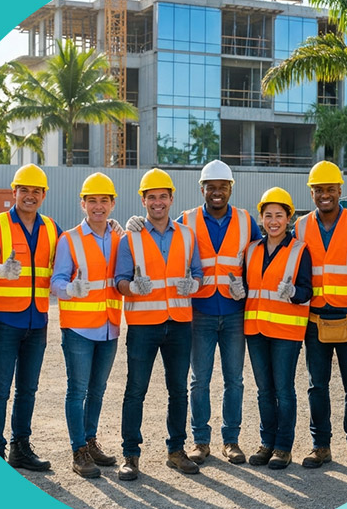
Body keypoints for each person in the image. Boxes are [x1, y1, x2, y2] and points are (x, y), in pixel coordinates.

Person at [115, 168, 203, 481]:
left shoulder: (187, 235)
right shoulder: (131, 237)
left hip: (179, 323)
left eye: (162, 196)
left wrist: (192, 285)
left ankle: (176, 451)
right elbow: (119, 280)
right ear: (143, 200)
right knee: (135, 390)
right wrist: (131, 288)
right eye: (151, 197)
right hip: (143, 324)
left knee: (178, 390)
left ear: (171, 199)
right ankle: (131, 455)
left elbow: (198, 274)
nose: (157, 202)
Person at [0, 163, 61, 471]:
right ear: (14, 192)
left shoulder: (52, 229)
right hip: (3, 320)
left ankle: (20, 447)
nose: (30, 196)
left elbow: (67, 263)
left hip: (37, 320)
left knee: (28, 388)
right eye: (24, 190)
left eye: (36, 191)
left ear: (44, 195)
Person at [295, 161, 347, 474]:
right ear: (312, 193)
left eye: (330, 189)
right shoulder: (300, 227)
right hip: (315, 321)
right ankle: (321, 446)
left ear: (340, 190)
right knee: (317, 386)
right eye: (319, 190)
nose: (324, 195)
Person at [182, 160, 261, 465]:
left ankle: (231, 441)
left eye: (222, 187)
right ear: (202, 189)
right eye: (211, 187)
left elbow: (264, 255)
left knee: (235, 380)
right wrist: (131, 224)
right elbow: (158, 233)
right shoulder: (186, 219)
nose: (217, 192)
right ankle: (200, 441)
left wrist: (249, 287)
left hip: (233, 312)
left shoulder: (245, 220)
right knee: (199, 380)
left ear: (231, 188)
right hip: (200, 311)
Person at [51, 172, 123, 479]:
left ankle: (91, 441)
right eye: (92, 200)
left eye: (103, 201)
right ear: (83, 204)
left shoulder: (120, 238)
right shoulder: (69, 240)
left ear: (112, 204)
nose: (98, 206)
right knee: (77, 390)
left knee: (98, 390)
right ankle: (78, 451)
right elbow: (55, 282)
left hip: (109, 326)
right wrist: (70, 290)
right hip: (79, 328)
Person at [243, 188, 312, 470]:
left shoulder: (299, 250)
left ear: (289, 218)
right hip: (256, 329)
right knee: (263, 390)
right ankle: (266, 443)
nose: (273, 221)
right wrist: (240, 290)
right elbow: (249, 286)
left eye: (279, 215)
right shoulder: (251, 250)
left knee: (284, 390)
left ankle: (283, 447)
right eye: (268, 215)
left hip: (286, 332)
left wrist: (294, 291)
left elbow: (308, 290)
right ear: (261, 218)